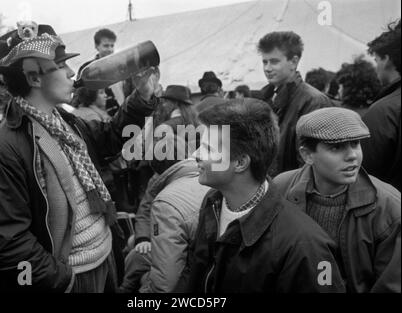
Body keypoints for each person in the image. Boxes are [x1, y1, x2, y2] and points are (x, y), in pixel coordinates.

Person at [0, 22, 158, 292]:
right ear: (34, 78)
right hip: (70, 278)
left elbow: (111, 137)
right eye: (61, 65)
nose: (72, 72)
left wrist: (142, 97)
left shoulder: (66, 122)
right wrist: (61, 280)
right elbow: (7, 241)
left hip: (105, 258)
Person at [177, 98, 345, 293]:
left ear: (240, 162)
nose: (196, 154)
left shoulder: (305, 246)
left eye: (208, 149)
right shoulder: (213, 203)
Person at [274, 107, 401, 293]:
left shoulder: (389, 208)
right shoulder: (281, 188)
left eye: (356, 143)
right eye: (336, 147)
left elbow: (391, 285)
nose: (352, 156)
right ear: (307, 155)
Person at [120, 85, 208, 293]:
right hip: (193, 250)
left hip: (177, 247)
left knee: (135, 254)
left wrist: (143, 239)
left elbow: (165, 281)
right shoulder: (198, 127)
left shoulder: (164, 128)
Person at [257, 31, 333, 176]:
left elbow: (311, 164)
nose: (267, 68)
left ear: (294, 62)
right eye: (264, 62)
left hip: (293, 192)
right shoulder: (265, 98)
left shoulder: (314, 101)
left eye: (274, 61)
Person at [361, 19, 401, 191]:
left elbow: (364, 177)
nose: (376, 67)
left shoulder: (383, 111)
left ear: (386, 59)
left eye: (376, 60)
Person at [78, 28, 124, 116]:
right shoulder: (87, 69)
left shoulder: (119, 66)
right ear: (96, 46)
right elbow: (80, 98)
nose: (110, 49)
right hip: (99, 120)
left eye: (112, 46)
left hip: (120, 117)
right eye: (106, 46)